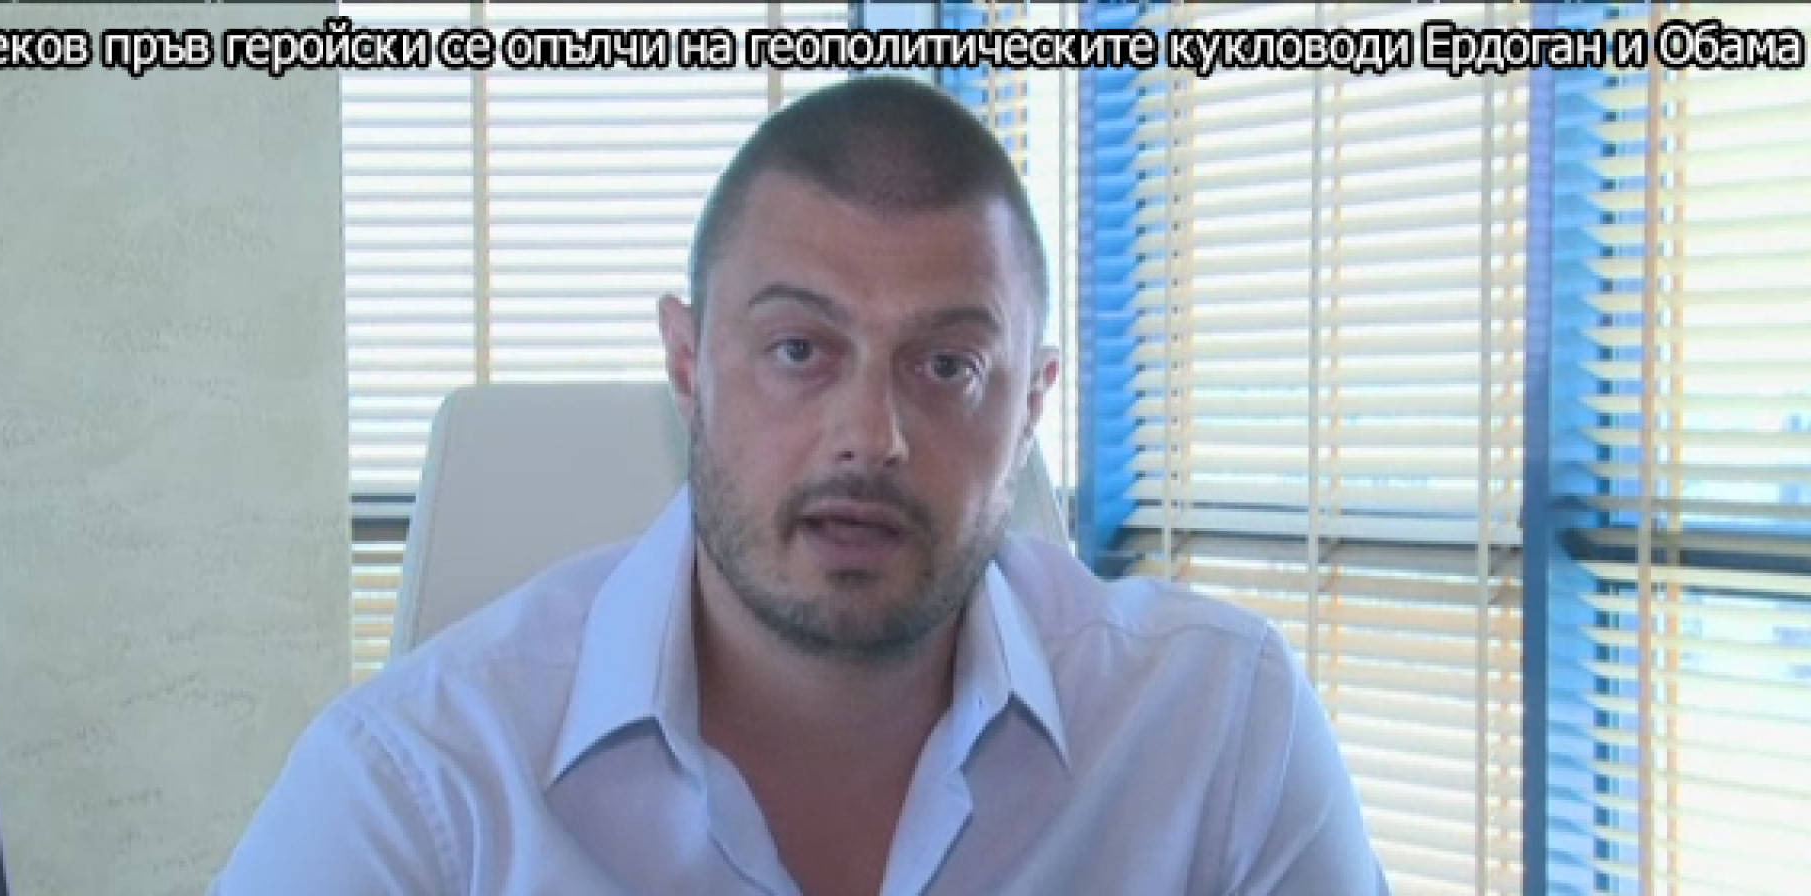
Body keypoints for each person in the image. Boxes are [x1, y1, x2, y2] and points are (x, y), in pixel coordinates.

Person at [209, 75, 1389, 896]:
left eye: (946, 365)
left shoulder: (1220, 732)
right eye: (797, 349)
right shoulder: (424, 786)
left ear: (1031, 403)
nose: (870, 436)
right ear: (689, 366)